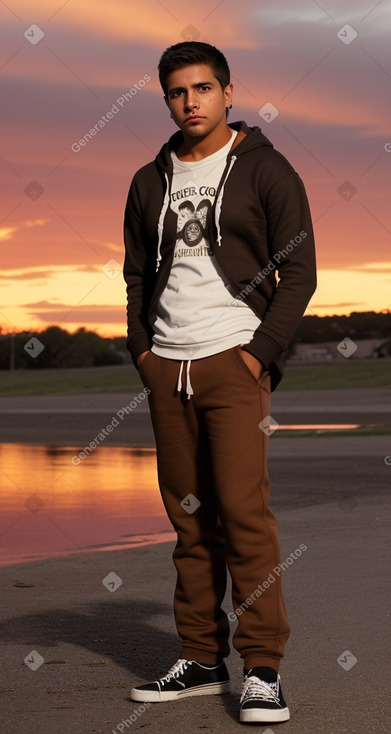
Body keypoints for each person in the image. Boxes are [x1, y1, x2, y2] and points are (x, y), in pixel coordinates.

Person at [123, 41, 316, 725]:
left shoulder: (265, 168)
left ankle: (262, 667)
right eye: (177, 92)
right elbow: (136, 277)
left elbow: (299, 272)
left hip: (231, 359)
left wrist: (259, 353)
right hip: (165, 364)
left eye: (203, 88)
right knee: (188, 517)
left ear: (229, 93)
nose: (190, 102)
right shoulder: (150, 179)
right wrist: (142, 350)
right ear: (166, 99)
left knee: (241, 512)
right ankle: (201, 658)